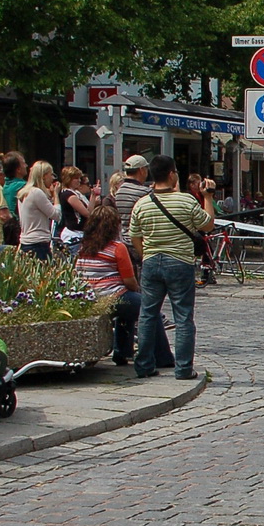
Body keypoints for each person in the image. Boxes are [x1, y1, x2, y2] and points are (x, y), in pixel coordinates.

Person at [128, 154, 209, 381]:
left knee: (147, 314)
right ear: (173, 174)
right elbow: (208, 224)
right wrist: (208, 198)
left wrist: (146, 255)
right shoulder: (186, 201)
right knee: (183, 316)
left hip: (152, 262)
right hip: (180, 262)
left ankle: (144, 365)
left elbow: (134, 236)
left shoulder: (142, 204)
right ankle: (183, 369)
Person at [75, 205, 143, 366]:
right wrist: (137, 290)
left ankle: (123, 351)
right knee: (146, 307)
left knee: (128, 307)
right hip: (112, 296)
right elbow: (129, 281)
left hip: (91, 297)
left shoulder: (84, 248)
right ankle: (159, 354)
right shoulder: (117, 248)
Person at [15, 159, 61, 259]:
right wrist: (56, 195)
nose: (53, 178)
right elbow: (56, 215)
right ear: (44, 176)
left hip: (26, 242)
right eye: (51, 174)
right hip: (38, 244)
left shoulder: (24, 192)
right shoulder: (36, 193)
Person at [56, 166, 95, 255]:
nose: (79, 181)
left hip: (82, 233)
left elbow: (90, 211)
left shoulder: (77, 194)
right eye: (75, 178)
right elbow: (86, 213)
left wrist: (93, 195)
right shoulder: (68, 194)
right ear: (68, 179)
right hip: (74, 234)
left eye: (79, 178)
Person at [114, 155, 151, 244]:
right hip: (139, 241)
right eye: (146, 168)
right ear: (141, 170)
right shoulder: (145, 192)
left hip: (123, 240)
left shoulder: (120, 190)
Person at [0, 153, 28, 246]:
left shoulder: (5, 186)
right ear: (18, 169)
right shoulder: (23, 187)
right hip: (19, 230)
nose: (26, 165)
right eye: (24, 163)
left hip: (8, 230)